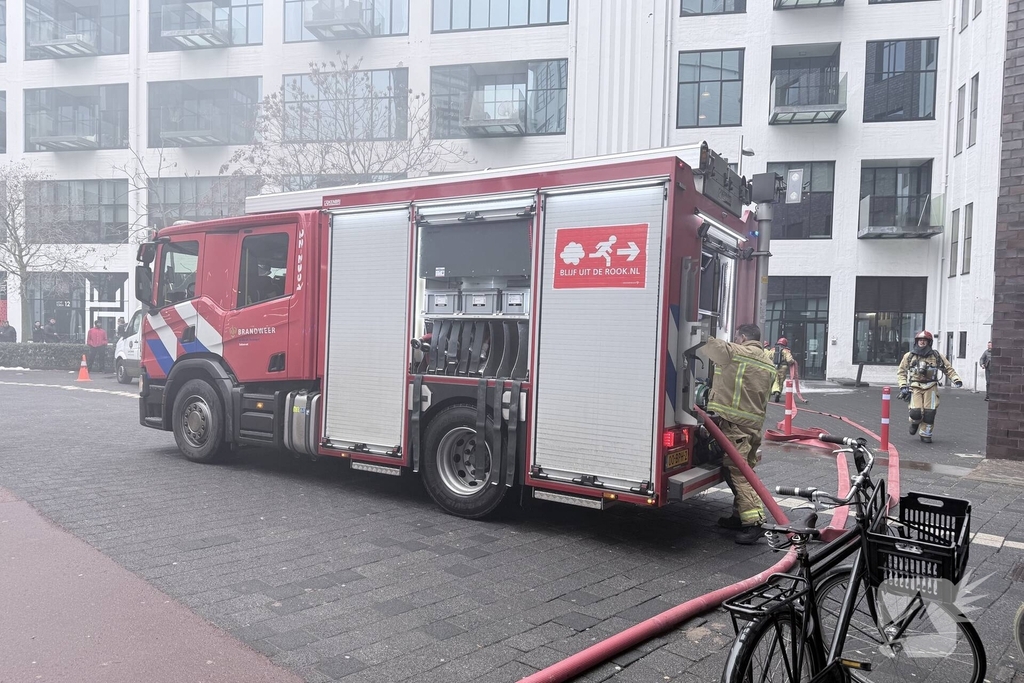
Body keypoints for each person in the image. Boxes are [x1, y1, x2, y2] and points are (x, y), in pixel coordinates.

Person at [700, 323, 776, 545]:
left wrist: (698, 329)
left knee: (739, 473)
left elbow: (710, 346)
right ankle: (739, 516)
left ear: (742, 337)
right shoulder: (769, 362)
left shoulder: (737, 352)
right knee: (742, 470)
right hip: (753, 426)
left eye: (736, 337)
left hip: (735, 425)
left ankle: (754, 523)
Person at [897, 330, 962, 443]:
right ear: (916, 341)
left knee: (929, 413)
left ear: (929, 342)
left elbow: (948, 369)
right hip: (915, 386)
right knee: (915, 412)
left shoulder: (936, 356)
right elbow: (901, 372)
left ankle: (925, 433)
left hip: (931, 386)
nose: (922, 342)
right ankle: (914, 423)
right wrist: (903, 386)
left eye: (924, 340)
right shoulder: (909, 356)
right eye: (920, 340)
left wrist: (956, 379)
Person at [769, 337, 795, 403]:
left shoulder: (773, 350)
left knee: (775, 380)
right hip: (783, 367)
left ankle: (775, 391)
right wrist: (793, 361)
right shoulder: (786, 351)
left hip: (774, 367)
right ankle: (778, 392)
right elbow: (789, 360)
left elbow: (768, 357)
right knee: (781, 381)